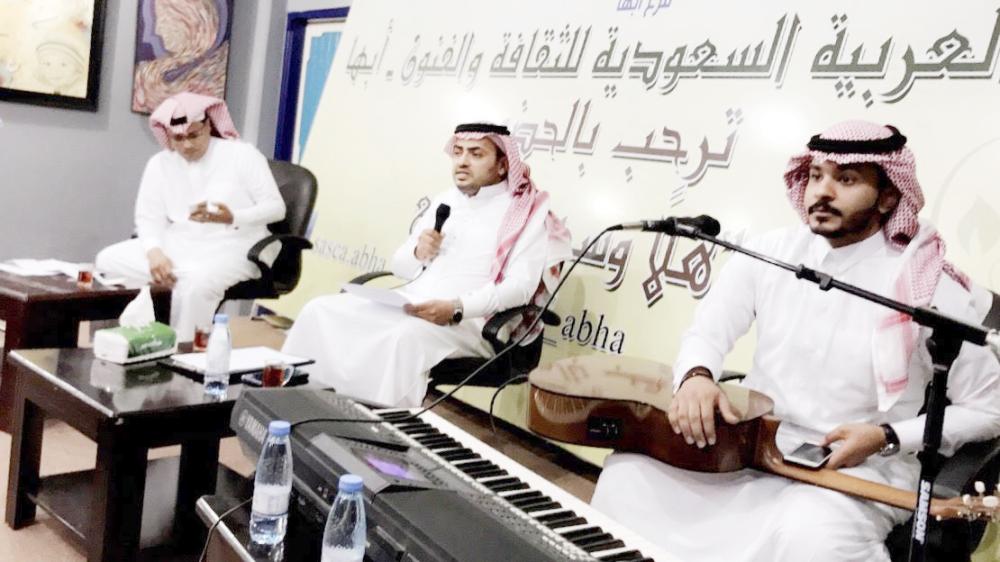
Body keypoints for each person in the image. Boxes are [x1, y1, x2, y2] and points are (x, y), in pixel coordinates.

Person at [591, 121, 1000, 561]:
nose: (822, 192)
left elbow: (989, 408)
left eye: (846, 179)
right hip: (753, 446)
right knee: (627, 478)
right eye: (816, 175)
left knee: (812, 537)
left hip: (861, 470)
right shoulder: (770, 254)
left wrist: (885, 437)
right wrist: (696, 377)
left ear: (888, 196)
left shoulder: (929, 285)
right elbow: (706, 333)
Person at [282, 122, 571, 407]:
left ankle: (379, 425)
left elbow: (520, 288)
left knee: (403, 338)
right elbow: (400, 267)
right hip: (413, 305)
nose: (462, 161)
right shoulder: (446, 201)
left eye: (476, 154)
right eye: (458, 152)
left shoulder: (527, 211)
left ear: (503, 165)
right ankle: (298, 404)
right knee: (319, 310)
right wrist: (418, 252)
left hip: (470, 322)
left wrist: (456, 308)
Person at [96, 92, 285, 341]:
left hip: (237, 244)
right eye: (178, 138)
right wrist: (154, 252)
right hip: (182, 242)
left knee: (196, 285)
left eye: (194, 135)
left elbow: (276, 208)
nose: (187, 145)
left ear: (208, 126)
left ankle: (183, 352)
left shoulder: (242, 155)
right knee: (107, 261)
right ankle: (129, 342)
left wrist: (232, 217)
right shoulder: (160, 163)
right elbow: (148, 217)